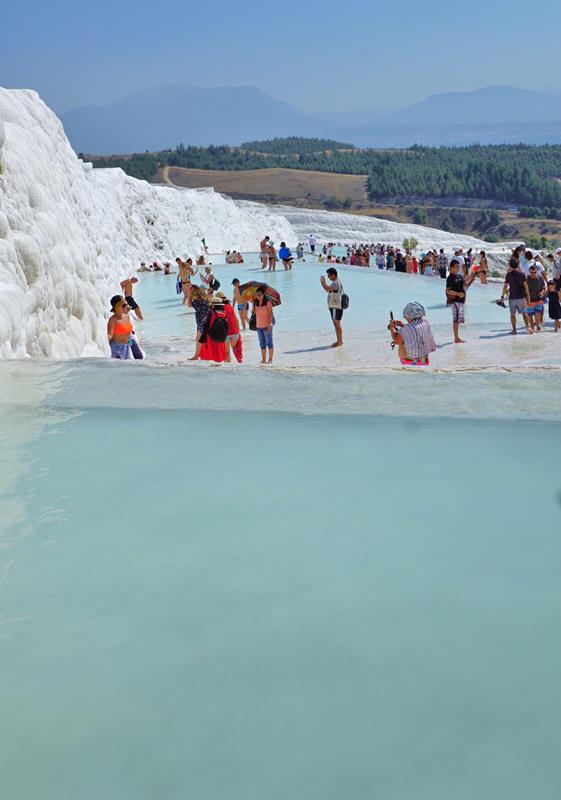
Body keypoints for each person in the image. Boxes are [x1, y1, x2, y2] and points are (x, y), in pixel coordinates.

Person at [389, 302, 436, 366]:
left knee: (402, 343)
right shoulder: (425, 322)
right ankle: (421, 362)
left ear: (409, 316)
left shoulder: (406, 329)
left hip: (412, 360)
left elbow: (396, 340)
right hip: (424, 359)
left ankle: (405, 362)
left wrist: (392, 328)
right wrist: (402, 325)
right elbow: (415, 329)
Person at [500, 258, 532, 335]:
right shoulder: (522, 274)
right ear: (518, 265)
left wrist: (502, 296)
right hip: (521, 297)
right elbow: (526, 286)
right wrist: (528, 296)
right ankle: (528, 328)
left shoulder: (508, 275)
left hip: (512, 298)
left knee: (512, 315)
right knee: (524, 313)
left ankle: (514, 330)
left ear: (510, 265)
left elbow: (505, 286)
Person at [446, 258, 474, 343]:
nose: (458, 268)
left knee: (459, 320)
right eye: (456, 267)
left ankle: (457, 337)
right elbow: (448, 290)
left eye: (458, 267)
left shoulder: (459, 276)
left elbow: (464, 285)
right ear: (451, 268)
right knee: (455, 320)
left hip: (461, 301)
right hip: (455, 301)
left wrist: (471, 280)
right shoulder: (450, 278)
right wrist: (458, 294)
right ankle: (456, 338)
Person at [320, 267, 344, 348]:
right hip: (336, 306)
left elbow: (327, 289)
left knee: (336, 324)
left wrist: (322, 282)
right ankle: (339, 341)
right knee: (337, 324)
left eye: (329, 275)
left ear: (333, 275)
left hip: (335, 307)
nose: (328, 277)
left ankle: (339, 341)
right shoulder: (337, 282)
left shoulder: (335, 283)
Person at [216, 292, 242, 363]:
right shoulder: (230, 306)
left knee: (227, 352)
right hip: (235, 331)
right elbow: (236, 319)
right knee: (237, 351)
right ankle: (240, 367)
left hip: (226, 333)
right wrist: (238, 331)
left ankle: (228, 368)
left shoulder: (219, 308)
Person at [188, 285, 211, 360]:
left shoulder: (196, 301)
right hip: (207, 319)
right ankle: (205, 355)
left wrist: (189, 297)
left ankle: (196, 356)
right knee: (205, 338)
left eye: (190, 290)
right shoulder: (206, 298)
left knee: (198, 338)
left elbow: (189, 305)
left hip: (201, 321)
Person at [253, 286, 274, 364]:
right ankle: (263, 359)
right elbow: (254, 313)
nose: (258, 296)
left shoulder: (268, 303)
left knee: (269, 343)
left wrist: (269, 325)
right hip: (259, 326)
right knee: (262, 344)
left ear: (263, 294)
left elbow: (270, 315)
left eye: (260, 294)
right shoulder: (256, 303)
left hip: (267, 326)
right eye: (257, 294)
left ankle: (270, 359)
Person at [525, 263, 547, 330]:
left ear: (537, 271)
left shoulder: (540, 278)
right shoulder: (526, 279)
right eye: (532, 272)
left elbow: (544, 287)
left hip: (538, 299)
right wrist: (526, 300)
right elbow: (523, 290)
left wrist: (542, 292)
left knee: (538, 313)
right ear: (529, 271)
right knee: (530, 314)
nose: (533, 273)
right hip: (529, 300)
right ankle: (532, 327)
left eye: (535, 272)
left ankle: (537, 325)